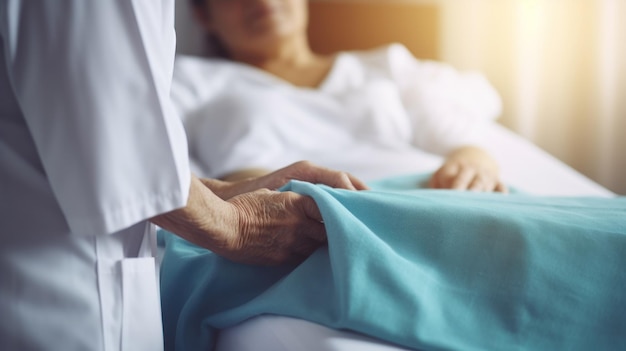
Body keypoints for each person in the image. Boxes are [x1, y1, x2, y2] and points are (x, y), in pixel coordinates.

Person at [0, 2, 366, 350]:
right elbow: (113, 137)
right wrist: (235, 223)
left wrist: (227, 193)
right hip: (51, 294)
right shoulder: (206, 83)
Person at [176, 0, 508, 193]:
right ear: (204, 16)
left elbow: (466, 120)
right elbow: (150, 157)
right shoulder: (190, 79)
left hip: (436, 195)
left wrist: (475, 163)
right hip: (310, 226)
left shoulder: (387, 65)